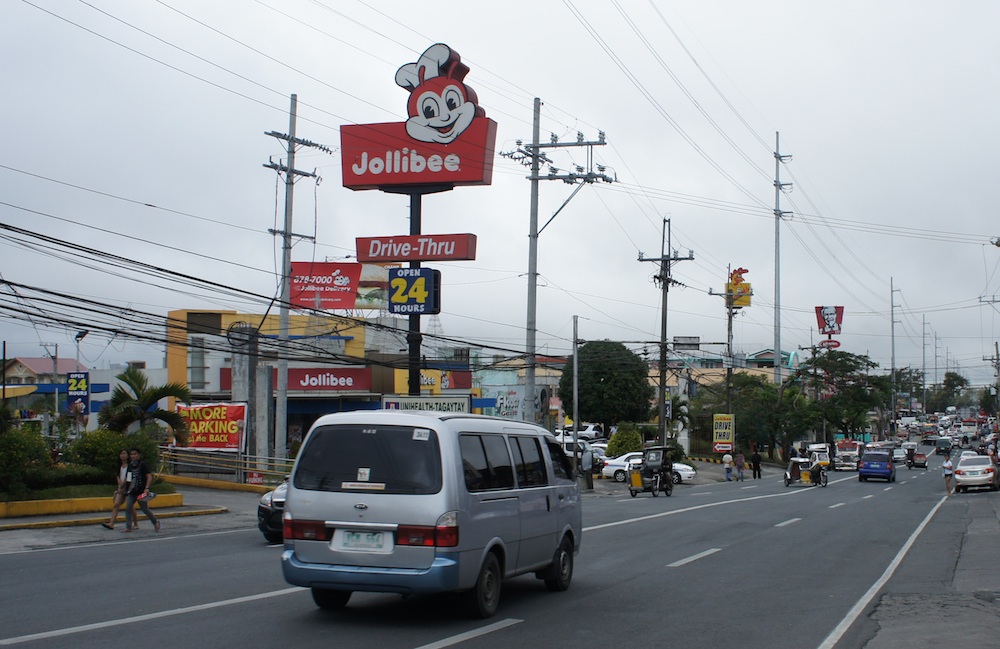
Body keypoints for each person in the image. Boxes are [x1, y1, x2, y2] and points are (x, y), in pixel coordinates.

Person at [124, 448, 160, 532]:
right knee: (128, 508)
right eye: (131, 454)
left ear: (139, 455)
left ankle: (155, 522)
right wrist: (126, 489)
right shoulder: (130, 466)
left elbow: (149, 476)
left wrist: (146, 488)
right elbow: (128, 478)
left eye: (135, 454)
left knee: (145, 509)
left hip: (141, 492)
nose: (133, 456)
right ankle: (128, 527)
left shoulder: (142, 464)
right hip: (132, 492)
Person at [101, 449, 138, 530]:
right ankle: (111, 523)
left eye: (124, 454)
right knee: (116, 505)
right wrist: (120, 484)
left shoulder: (130, 466)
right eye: (121, 454)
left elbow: (129, 477)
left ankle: (136, 523)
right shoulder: (119, 466)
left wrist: (123, 485)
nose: (122, 455)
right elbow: (118, 475)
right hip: (120, 489)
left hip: (128, 488)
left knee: (130, 506)